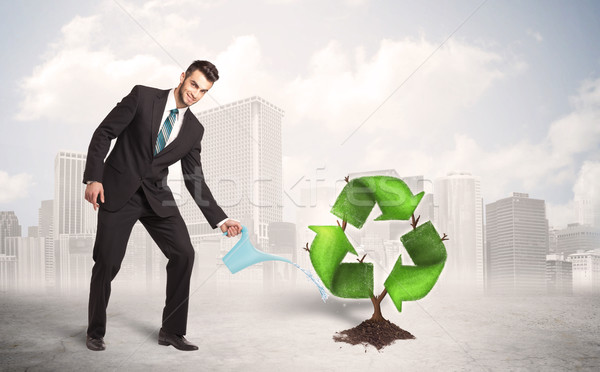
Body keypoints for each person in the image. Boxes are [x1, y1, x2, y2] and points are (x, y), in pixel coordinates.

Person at [82, 60, 241, 352]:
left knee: (184, 253)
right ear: (182, 78)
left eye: (203, 91)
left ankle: (172, 331)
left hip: (157, 195)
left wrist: (221, 219)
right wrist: (94, 177)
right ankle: (95, 331)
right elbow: (104, 133)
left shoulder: (194, 129)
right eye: (194, 84)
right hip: (119, 191)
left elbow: (195, 179)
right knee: (107, 262)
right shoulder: (143, 97)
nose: (195, 94)